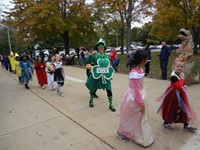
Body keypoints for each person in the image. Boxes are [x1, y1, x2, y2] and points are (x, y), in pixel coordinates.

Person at [117, 50, 154, 147]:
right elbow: (136, 91)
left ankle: (137, 135)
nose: (147, 61)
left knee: (138, 118)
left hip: (139, 95)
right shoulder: (134, 74)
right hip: (134, 98)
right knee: (130, 116)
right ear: (142, 61)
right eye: (146, 59)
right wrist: (141, 104)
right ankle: (122, 132)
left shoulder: (139, 70)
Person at [157, 58, 197, 131]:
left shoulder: (181, 74)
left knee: (183, 108)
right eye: (178, 66)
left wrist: (183, 85)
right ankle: (166, 122)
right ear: (174, 66)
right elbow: (177, 85)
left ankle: (186, 124)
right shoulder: (173, 76)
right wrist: (182, 79)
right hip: (173, 95)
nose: (179, 68)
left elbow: (182, 84)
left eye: (181, 67)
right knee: (172, 108)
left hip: (180, 93)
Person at [85, 38, 116, 112]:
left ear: (104, 48)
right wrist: (90, 56)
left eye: (102, 47)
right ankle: (91, 100)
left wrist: (110, 75)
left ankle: (111, 104)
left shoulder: (106, 56)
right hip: (96, 75)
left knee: (109, 90)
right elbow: (87, 62)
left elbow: (109, 66)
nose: (101, 49)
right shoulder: (95, 55)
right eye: (99, 48)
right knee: (93, 89)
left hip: (105, 77)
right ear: (97, 49)